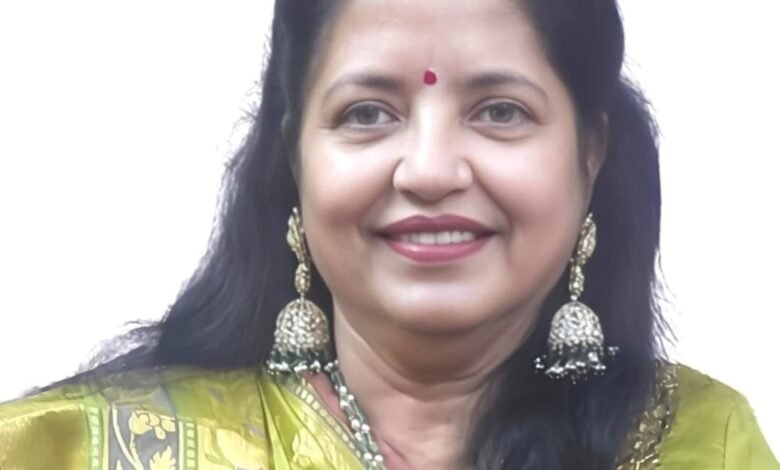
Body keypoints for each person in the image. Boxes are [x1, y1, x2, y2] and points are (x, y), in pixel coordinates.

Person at [0, 0, 777, 468]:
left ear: (590, 154)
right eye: (367, 113)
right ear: (295, 159)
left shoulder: (700, 446)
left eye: (499, 111)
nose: (430, 170)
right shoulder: (84, 451)